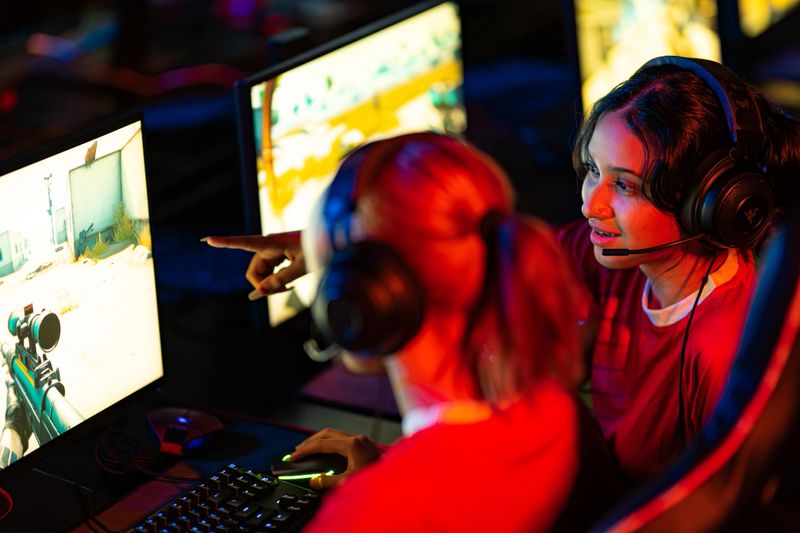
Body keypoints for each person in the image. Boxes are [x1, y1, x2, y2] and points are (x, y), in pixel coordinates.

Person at [206, 132, 625, 531]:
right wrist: (392, 473)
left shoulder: (377, 511)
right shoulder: (555, 410)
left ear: (357, 301)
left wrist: (386, 490)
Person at [560, 56, 800, 484]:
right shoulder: (616, 254)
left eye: (626, 185)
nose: (590, 205)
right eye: (594, 170)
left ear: (705, 204)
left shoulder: (721, 353)